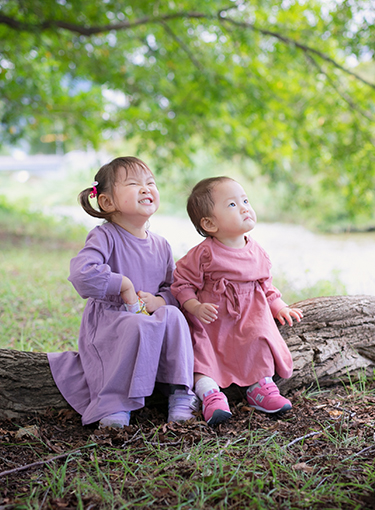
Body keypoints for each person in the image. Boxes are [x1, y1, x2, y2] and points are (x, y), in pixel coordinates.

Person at [48, 157, 196, 428]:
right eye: (133, 184)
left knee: (173, 315)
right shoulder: (105, 237)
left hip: (146, 318)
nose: (145, 188)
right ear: (107, 202)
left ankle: (179, 394)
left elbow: (173, 287)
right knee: (135, 321)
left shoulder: (161, 245)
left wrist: (160, 300)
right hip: (111, 323)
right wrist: (123, 285)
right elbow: (82, 273)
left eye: (150, 183)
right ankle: (113, 403)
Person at [171, 176, 302, 425]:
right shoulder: (204, 253)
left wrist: (279, 306)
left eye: (245, 200)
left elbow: (266, 286)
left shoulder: (257, 251)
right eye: (232, 205)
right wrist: (194, 306)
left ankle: (260, 388)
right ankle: (210, 395)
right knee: (202, 354)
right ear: (209, 223)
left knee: (260, 341)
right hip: (212, 321)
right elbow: (182, 283)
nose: (244, 207)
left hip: (249, 317)